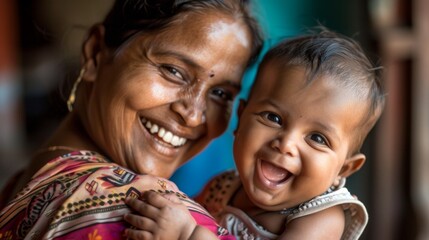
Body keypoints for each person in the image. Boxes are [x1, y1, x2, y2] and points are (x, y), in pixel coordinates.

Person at [0, 0, 263, 239]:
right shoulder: (141, 215)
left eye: (220, 93)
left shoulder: (27, 180)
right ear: (94, 54)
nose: (193, 116)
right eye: (173, 71)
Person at [124, 29, 385, 239]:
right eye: (273, 118)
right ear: (241, 118)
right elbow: (185, 211)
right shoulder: (222, 188)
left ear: (345, 169)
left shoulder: (322, 217)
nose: (285, 144)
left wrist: (187, 233)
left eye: (317, 138)